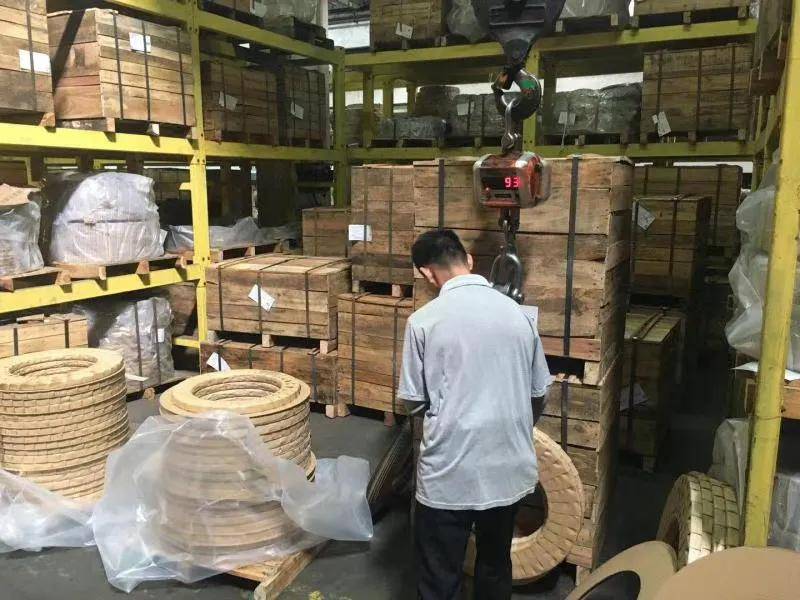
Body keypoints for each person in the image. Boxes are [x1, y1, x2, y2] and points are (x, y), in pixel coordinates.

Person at [399, 229, 552, 600]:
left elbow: (413, 403)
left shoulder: (423, 322)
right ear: (468, 260)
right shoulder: (519, 316)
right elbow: (539, 393)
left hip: (449, 474)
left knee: (440, 576)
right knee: (495, 566)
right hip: (508, 469)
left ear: (426, 273)